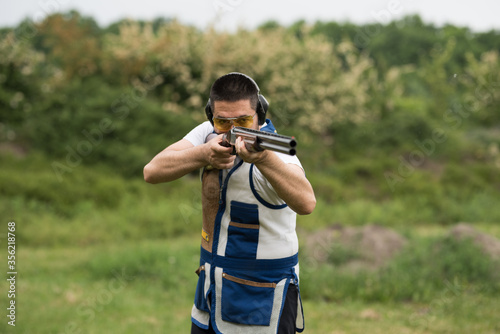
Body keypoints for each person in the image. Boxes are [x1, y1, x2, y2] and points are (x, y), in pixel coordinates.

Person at [143, 72, 316, 333]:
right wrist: (202, 154)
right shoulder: (209, 133)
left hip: (263, 300)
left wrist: (263, 159)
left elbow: (307, 203)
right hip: (210, 293)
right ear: (211, 116)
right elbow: (152, 171)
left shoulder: (276, 151)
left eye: (244, 120)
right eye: (224, 121)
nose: (235, 129)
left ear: (260, 113)